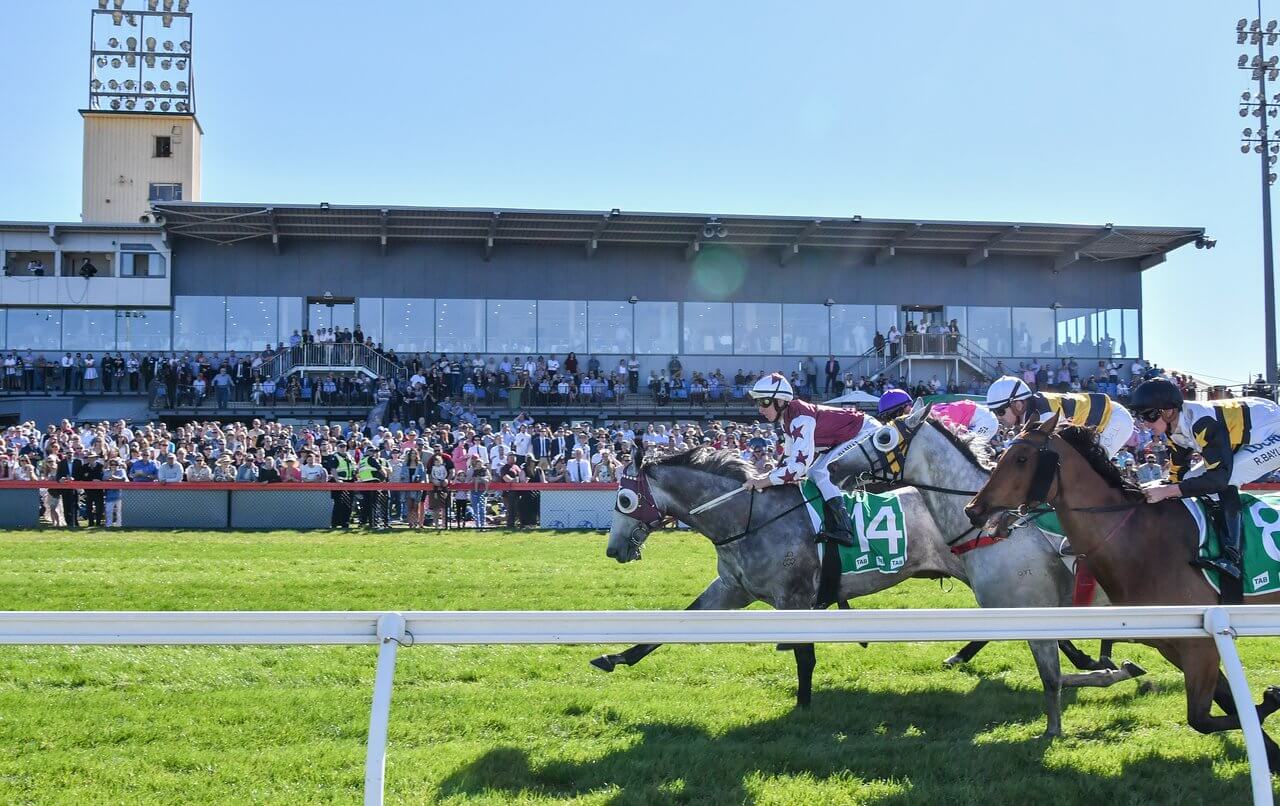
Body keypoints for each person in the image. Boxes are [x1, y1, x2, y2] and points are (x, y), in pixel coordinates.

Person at [1131, 378, 1280, 580]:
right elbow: (1179, 474)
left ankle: (1232, 557)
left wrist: (1167, 491)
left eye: (1147, 415)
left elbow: (1218, 479)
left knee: (1226, 481)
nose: (1144, 424)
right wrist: (1162, 486)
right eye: (1140, 416)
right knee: (1193, 480)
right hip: (1248, 426)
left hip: (1272, 432)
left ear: (1168, 411)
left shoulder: (1202, 423)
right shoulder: (1172, 429)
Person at [743, 373, 880, 546]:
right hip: (849, 435)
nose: (760, 409)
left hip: (866, 432)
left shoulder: (800, 417)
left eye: (764, 402)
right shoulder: (787, 420)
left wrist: (763, 482)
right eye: (758, 403)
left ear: (780, 401)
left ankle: (844, 529)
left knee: (821, 473)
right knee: (815, 473)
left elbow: (798, 466)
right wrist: (764, 478)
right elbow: (788, 459)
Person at [984, 375, 1134, 458]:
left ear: (1017, 405)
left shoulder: (1044, 416)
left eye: (1000, 411)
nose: (998, 418)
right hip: (1100, 423)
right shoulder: (1032, 413)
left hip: (1114, 419)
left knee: (1092, 466)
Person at [103, 458, 127, 527]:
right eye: (112, 464)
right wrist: (115, 478)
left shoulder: (121, 471)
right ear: (109, 465)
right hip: (109, 494)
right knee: (108, 510)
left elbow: (123, 479)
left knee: (119, 511)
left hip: (120, 493)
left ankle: (119, 524)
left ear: (118, 465)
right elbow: (104, 479)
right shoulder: (106, 471)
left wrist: (113, 477)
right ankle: (109, 524)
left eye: (115, 464)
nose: (113, 466)